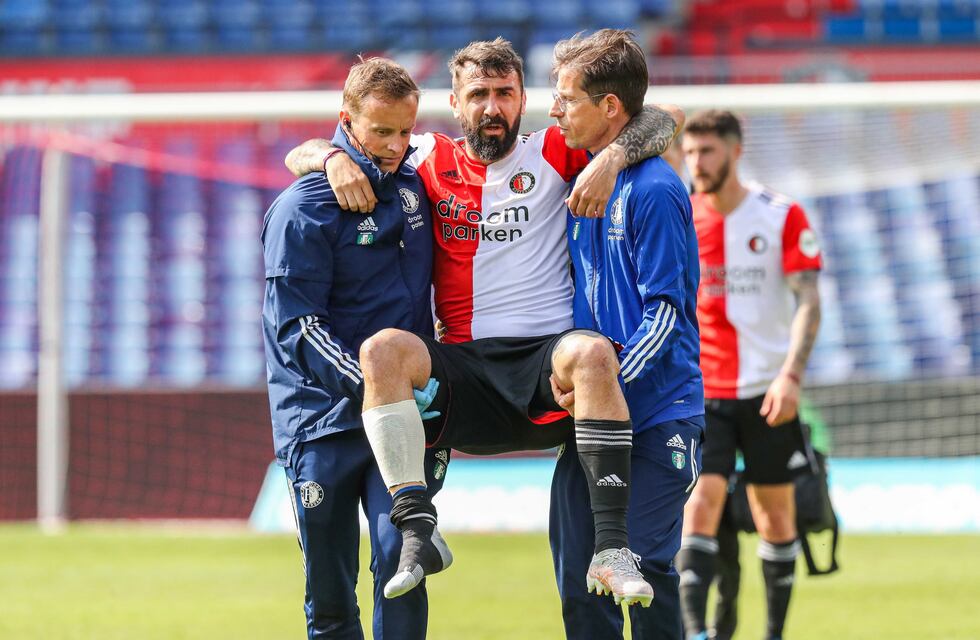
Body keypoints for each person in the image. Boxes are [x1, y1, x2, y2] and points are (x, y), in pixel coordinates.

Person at [285, 39, 683, 606]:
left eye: (504, 94)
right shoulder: (424, 156)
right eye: (478, 95)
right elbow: (296, 154)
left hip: (545, 363)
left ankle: (612, 548)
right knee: (382, 353)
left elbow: (667, 118)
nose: (491, 108)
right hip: (465, 369)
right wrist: (332, 158)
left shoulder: (554, 150)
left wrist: (614, 158)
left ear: (524, 100)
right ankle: (418, 529)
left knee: (594, 354)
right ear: (455, 101)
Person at [261, 57, 449, 639]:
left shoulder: (421, 185)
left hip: (401, 418)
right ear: (347, 119)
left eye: (405, 131)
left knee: (403, 561)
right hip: (320, 419)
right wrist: (380, 388)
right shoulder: (303, 208)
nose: (395, 146)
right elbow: (298, 330)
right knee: (331, 591)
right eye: (381, 131)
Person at [548, 30, 705, 640]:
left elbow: (666, 314)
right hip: (591, 424)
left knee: (644, 575)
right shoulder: (583, 174)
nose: (555, 110)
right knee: (577, 587)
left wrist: (602, 379)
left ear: (610, 107)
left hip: (660, 414)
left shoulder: (658, 190)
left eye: (566, 98)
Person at [675, 110, 822, 640]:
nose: (696, 163)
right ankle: (694, 632)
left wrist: (792, 376)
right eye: (689, 153)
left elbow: (809, 299)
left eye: (706, 151)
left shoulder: (781, 215)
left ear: (735, 151)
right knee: (702, 501)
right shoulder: (683, 216)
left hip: (767, 392)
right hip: (704, 393)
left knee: (775, 517)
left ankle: (773, 634)